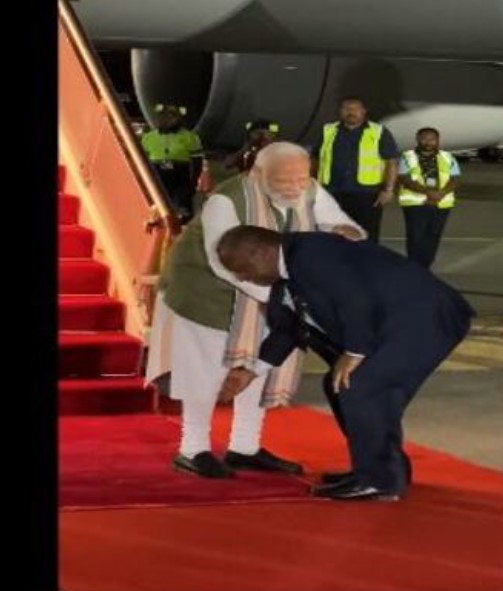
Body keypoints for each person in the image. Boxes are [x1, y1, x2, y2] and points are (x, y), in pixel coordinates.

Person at [145, 142, 365, 479]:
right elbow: (223, 263)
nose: (294, 188)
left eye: (301, 179)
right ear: (257, 173)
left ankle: (244, 447)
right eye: (284, 181)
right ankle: (192, 449)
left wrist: (345, 233)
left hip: (269, 288)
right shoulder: (226, 200)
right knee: (205, 371)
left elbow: (341, 225)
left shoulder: (307, 188)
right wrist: (285, 300)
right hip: (205, 292)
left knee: (259, 367)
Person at [215, 226, 475, 500]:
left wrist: (355, 351)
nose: (242, 278)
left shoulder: (312, 253)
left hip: (425, 315)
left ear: (259, 253)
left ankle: (378, 480)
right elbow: (289, 330)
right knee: (341, 386)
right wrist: (251, 372)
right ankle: (378, 470)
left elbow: (355, 298)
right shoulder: (288, 273)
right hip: (399, 320)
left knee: (362, 387)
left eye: (241, 269)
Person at [313, 96, 399, 243]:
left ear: (364, 111)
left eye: (355, 109)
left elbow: (391, 162)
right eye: (346, 109)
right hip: (333, 192)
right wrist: (312, 185)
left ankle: (366, 258)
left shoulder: (378, 132)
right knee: (333, 233)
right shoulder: (328, 130)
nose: (351, 112)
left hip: (367, 194)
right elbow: (315, 159)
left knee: (367, 235)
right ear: (340, 111)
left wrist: (388, 190)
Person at [397, 127, 461, 268]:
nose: (428, 142)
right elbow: (404, 179)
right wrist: (428, 193)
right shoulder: (407, 156)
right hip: (416, 203)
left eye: (432, 139)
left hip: (441, 203)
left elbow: (455, 179)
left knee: (433, 236)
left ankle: (426, 266)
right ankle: (414, 266)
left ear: (438, 140)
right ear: (418, 139)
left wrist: (441, 193)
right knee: (416, 236)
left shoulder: (447, 157)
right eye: (424, 138)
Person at [140, 104, 205, 223]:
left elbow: (197, 160)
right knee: (156, 198)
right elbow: (141, 160)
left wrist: (194, 180)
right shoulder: (148, 138)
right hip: (157, 173)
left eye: (174, 116)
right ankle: (156, 218)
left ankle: (182, 220)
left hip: (179, 174)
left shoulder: (190, 137)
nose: (171, 120)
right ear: (160, 118)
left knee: (182, 204)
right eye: (167, 116)